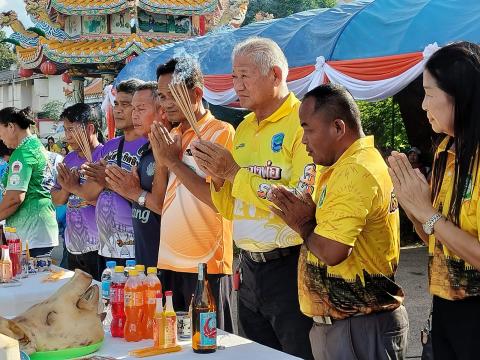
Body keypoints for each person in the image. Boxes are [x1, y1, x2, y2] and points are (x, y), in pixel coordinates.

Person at [192, 38, 315, 359]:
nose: (237, 85)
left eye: (244, 76)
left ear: (275, 74)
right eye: (234, 77)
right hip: (248, 268)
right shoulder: (244, 128)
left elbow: (300, 200)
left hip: (291, 265)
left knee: (296, 351)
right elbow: (231, 207)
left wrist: (233, 173)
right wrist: (219, 179)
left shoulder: (303, 122)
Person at [268, 84, 408, 360]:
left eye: (308, 129)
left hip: (359, 328)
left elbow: (332, 251)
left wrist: (304, 224)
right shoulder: (344, 166)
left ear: (338, 128)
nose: (303, 139)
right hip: (346, 327)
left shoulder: (354, 170)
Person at [388, 41, 480, 360]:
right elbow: (432, 237)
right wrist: (412, 205)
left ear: (461, 94)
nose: (423, 106)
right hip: (444, 306)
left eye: (429, 93)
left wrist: (427, 212)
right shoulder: (444, 153)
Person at [150, 57, 235, 331]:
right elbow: (160, 200)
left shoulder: (220, 133)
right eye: (162, 97)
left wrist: (173, 162)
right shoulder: (173, 135)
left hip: (206, 263)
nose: (166, 104)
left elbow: (217, 200)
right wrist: (162, 159)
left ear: (197, 93)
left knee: (209, 342)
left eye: (173, 96)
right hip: (170, 260)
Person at [82, 79, 147, 269]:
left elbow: (150, 199)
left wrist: (107, 181)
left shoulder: (149, 146)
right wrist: (70, 185)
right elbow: (90, 192)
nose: (117, 110)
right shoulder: (110, 145)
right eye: (116, 104)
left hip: (135, 247)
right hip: (106, 248)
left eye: (125, 105)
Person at [105, 82, 168, 268]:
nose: (134, 114)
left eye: (140, 108)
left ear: (162, 111)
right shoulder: (145, 150)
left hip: (165, 260)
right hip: (143, 257)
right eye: (133, 109)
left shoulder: (169, 150)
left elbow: (161, 205)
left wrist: (133, 192)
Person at [51, 103, 104, 280]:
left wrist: (72, 186)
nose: (67, 137)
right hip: (72, 243)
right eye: (65, 130)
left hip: (98, 244)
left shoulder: (103, 155)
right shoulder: (69, 159)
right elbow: (57, 199)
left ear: (90, 128)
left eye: (72, 130)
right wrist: (68, 187)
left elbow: (94, 196)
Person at [0, 107, 58, 257]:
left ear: (11, 127)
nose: (1, 138)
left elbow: (14, 198)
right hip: (40, 231)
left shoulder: (22, 153)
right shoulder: (37, 147)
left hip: (31, 234)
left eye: (0, 132)